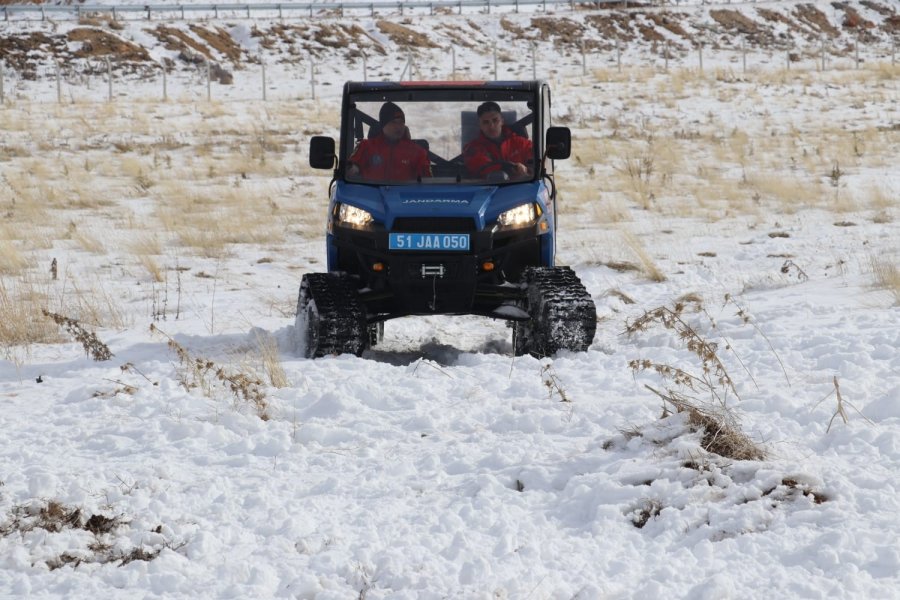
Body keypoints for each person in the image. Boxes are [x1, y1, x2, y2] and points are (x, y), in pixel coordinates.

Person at [347, 102, 431, 181]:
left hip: (405, 194)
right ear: (383, 125)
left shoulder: (417, 152)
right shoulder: (366, 147)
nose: (398, 127)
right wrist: (352, 169)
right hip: (369, 195)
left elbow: (428, 182)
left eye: (401, 122)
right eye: (393, 122)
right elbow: (351, 171)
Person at [463, 101, 533, 180]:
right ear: (480, 126)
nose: (491, 126)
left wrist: (527, 170)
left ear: (502, 121)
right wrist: (510, 169)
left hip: (521, 189)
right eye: (486, 122)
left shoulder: (522, 143)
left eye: (495, 120)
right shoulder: (472, 149)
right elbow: (480, 166)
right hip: (487, 189)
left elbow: (537, 162)